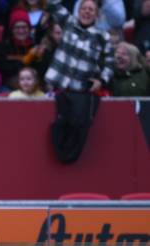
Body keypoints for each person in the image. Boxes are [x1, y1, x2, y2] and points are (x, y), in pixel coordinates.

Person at [45, 0, 114, 163]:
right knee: (58, 126)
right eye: (84, 8)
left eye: (91, 9)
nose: (87, 12)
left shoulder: (103, 36)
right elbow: (52, 4)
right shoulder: (68, 22)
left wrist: (102, 81)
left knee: (78, 127)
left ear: (97, 15)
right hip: (57, 87)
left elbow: (110, 64)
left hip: (81, 91)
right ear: (78, 11)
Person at [0, 7, 35, 90]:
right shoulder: (4, 46)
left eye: (24, 27)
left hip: (32, 86)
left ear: (29, 29)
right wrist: (26, 60)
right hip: (9, 86)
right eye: (17, 27)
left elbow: (38, 70)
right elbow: (4, 69)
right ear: (12, 29)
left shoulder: (34, 46)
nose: (21, 31)